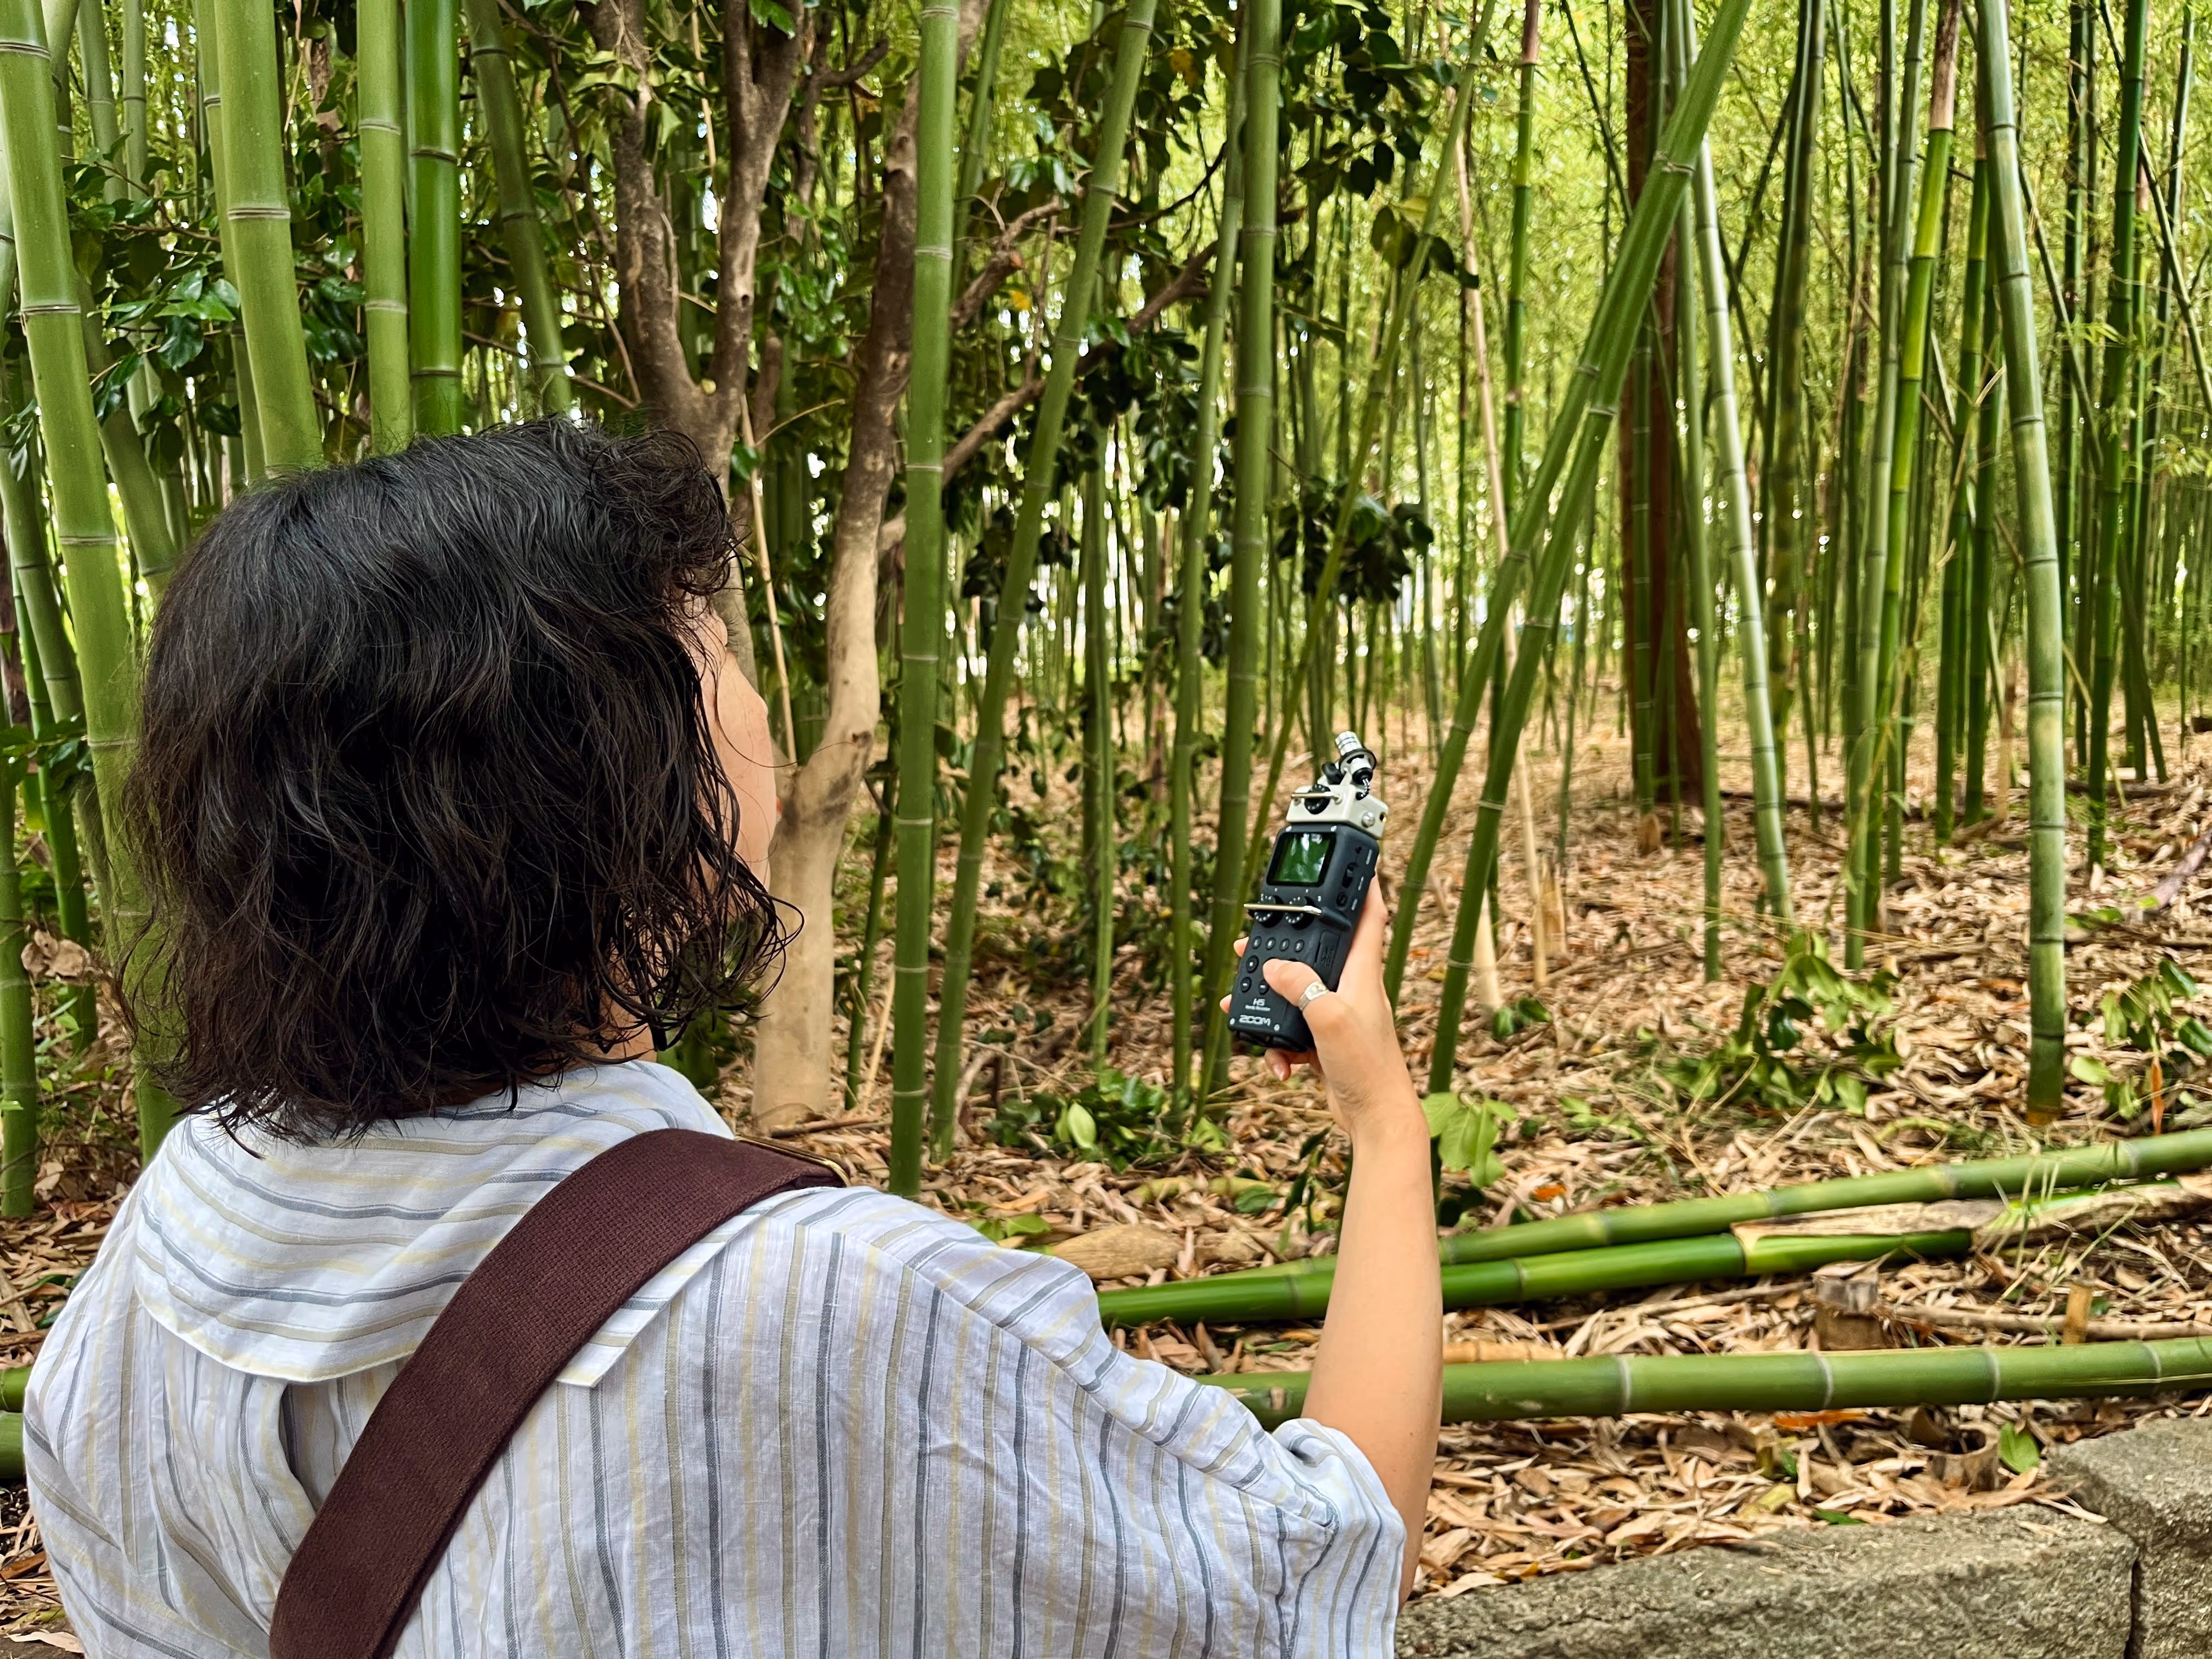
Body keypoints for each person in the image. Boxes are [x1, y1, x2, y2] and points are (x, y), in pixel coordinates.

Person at [24, 421, 1442, 1656]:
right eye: (724, 655)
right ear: (624, 780)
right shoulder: (830, 1320)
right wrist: (1386, 1131)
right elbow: (1316, 1563)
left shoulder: (141, 1282)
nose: (771, 710)